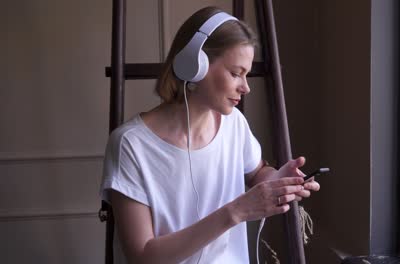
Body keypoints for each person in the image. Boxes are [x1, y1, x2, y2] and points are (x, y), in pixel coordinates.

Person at [100, 6, 320, 264]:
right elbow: (143, 256)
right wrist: (234, 212)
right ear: (194, 65)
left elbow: (257, 172)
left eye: (246, 75)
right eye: (236, 73)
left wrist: (278, 182)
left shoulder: (234, 124)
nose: (246, 87)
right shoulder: (130, 145)